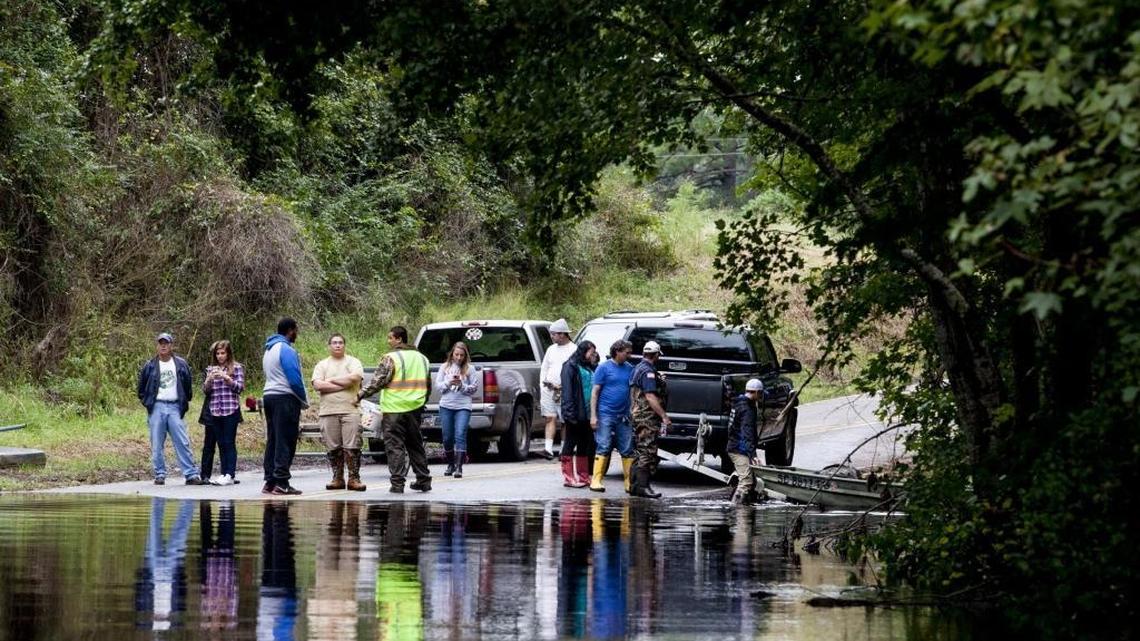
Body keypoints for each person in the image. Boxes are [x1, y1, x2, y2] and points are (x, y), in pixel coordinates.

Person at [359, 326, 432, 493]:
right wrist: (421, 403)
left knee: (395, 446)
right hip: (415, 409)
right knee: (416, 444)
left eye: (390, 338)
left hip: (394, 410)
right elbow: (428, 386)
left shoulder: (391, 357)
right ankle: (423, 479)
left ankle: (398, 483)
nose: (388, 341)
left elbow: (378, 380)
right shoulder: (422, 358)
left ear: (399, 339)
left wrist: (361, 394)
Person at [137, 332, 203, 485]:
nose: (163, 345)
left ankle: (191, 475)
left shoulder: (180, 364)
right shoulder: (150, 365)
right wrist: (148, 403)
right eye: (160, 343)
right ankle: (159, 474)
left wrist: (183, 402)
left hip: (175, 406)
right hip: (157, 406)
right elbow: (141, 388)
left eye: (166, 343)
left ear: (171, 345)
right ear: (157, 346)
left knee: (182, 441)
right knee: (157, 443)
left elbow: (187, 386)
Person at [312, 333, 366, 491]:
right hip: (328, 411)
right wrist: (343, 383)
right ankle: (337, 478)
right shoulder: (322, 365)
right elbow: (318, 386)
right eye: (334, 342)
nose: (337, 345)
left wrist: (329, 381)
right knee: (333, 447)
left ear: (345, 345)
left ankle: (354, 479)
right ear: (329, 345)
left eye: (340, 342)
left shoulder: (353, 362)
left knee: (352, 446)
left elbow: (355, 379)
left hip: (350, 410)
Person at [262, 317, 308, 495]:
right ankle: (282, 482)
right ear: (290, 330)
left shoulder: (269, 348)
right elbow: (294, 378)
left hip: (269, 395)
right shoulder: (286, 349)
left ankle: (270, 481)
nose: (297, 333)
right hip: (285, 397)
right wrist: (303, 399)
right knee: (286, 439)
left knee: (273, 439)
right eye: (296, 329)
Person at [589, 340, 636, 493]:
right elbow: (595, 392)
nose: (629, 355)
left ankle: (628, 481)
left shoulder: (630, 369)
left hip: (624, 415)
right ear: (617, 351)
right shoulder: (603, 368)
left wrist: (632, 409)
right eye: (626, 352)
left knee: (627, 448)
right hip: (605, 413)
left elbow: (631, 391)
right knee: (604, 445)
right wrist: (593, 416)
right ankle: (596, 479)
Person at [200, 340, 245, 486]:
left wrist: (227, 378)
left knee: (229, 442)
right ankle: (223, 473)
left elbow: (240, 388)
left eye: (223, 353)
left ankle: (230, 474)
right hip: (215, 410)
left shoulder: (236, 368)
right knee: (220, 443)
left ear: (228, 354)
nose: (220, 356)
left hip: (230, 409)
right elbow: (206, 391)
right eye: (218, 353)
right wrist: (209, 380)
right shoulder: (211, 369)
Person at [628, 341, 670, 498]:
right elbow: (650, 396)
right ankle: (643, 487)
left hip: (638, 415)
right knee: (647, 451)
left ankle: (634, 485)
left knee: (640, 450)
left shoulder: (638, 368)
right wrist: (664, 416)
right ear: (656, 354)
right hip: (647, 417)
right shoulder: (647, 372)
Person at [436, 341, 478, 478]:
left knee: (460, 434)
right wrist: (449, 382)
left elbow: (474, 388)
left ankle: (459, 467)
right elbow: (439, 387)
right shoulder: (444, 367)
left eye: (461, 355)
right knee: (447, 436)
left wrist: (462, 386)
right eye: (456, 354)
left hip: (463, 406)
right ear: (452, 354)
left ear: (465, 356)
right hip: (446, 405)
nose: (459, 358)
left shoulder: (470, 369)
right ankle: (450, 463)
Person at [559, 340, 597, 488]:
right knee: (570, 442)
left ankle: (583, 476)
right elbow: (567, 392)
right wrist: (569, 413)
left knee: (584, 444)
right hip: (575, 412)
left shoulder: (587, 366)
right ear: (583, 351)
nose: (592, 355)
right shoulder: (570, 366)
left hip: (587, 412)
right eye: (590, 352)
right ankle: (569, 477)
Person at [539, 319, 577, 460]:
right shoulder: (550, 349)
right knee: (550, 417)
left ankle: (563, 449)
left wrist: (565, 386)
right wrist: (543, 384)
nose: (552, 337)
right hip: (549, 389)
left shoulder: (574, 349)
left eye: (554, 334)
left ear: (562, 334)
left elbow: (574, 371)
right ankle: (548, 449)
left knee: (565, 420)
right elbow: (544, 368)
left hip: (565, 390)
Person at [727, 378, 763, 504]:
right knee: (746, 482)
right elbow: (747, 434)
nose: (761, 396)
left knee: (751, 481)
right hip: (739, 449)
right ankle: (737, 512)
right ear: (757, 392)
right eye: (761, 393)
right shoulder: (747, 409)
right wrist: (752, 454)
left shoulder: (738, 403)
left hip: (736, 446)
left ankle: (746, 506)